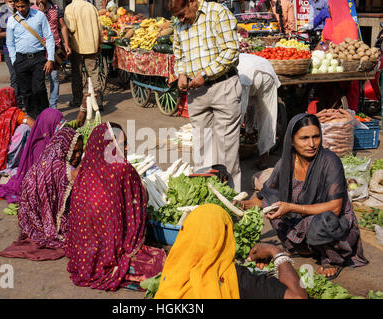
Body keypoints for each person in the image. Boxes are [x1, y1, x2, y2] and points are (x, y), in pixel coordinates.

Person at [237, 113, 368, 279]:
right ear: (292, 140)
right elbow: (263, 197)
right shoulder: (285, 163)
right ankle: (303, 248)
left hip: (332, 226)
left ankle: (331, 258)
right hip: (303, 222)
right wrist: (241, 205)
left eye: (316, 137)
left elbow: (335, 208)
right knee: (271, 202)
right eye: (304, 138)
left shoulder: (330, 161)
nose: (311, 144)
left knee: (322, 221)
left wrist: (292, 207)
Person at [65, 122, 166, 291]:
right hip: (109, 252)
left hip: (82, 253)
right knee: (159, 261)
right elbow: (136, 211)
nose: (126, 149)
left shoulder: (84, 170)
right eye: (122, 144)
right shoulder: (123, 170)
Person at [154, 204, 307, 299]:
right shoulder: (234, 277)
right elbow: (297, 297)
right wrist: (277, 253)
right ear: (226, 236)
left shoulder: (171, 274)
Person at [167, 0, 242, 191]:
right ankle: (206, 196)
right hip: (196, 92)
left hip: (222, 86)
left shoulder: (217, 13)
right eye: (177, 17)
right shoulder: (179, 23)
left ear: (192, 1)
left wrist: (205, 74)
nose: (181, 19)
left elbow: (231, 50)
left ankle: (230, 199)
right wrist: (182, 74)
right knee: (202, 147)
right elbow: (179, 54)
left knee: (226, 150)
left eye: (182, 13)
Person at [0, 127, 83, 260]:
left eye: (80, 151)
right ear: (64, 148)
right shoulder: (57, 167)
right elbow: (78, 178)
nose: (77, 155)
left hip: (30, 219)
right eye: (75, 151)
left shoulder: (48, 158)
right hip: (39, 217)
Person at [0, 100, 88, 203]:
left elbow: (77, 123)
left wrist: (83, 107)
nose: (60, 131)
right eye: (58, 127)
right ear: (50, 126)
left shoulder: (54, 136)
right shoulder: (40, 148)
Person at [6, 0, 55, 119]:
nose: (20, 9)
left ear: (28, 4)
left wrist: (50, 59)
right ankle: (33, 119)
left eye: (23, 6)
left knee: (39, 89)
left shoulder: (39, 16)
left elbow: (49, 37)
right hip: (20, 60)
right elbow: (10, 43)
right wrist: (14, 61)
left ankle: (46, 117)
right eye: (17, 7)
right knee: (26, 92)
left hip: (38, 58)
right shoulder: (12, 20)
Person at [238, 53, 281, 170]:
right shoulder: (244, 56)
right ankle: (264, 159)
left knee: (237, 117)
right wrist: (249, 129)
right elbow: (250, 107)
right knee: (268, 116)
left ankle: (231, 159)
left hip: (246, 74)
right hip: (267, 72)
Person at [32, 0, 72, 109]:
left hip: (54, 49)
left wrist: (66, 44)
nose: (40, 0)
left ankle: (53, 106)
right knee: (39, 78)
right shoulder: (32, 10)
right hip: (38, 49)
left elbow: (63, 26)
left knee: (54, 77)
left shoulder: (55, 9)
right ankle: (41, 104)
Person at [64, 0, 103, 109]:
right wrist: (99, 42)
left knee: (77, 75)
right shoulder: (91, 7)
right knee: (94, 73)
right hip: (92, 45)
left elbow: (71, 28)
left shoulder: (70, 8)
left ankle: (77, 100)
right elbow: (99, 28)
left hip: (78, 46)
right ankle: (98, 101)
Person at [0, 0, 22, 106]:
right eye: (10, 1)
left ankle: (25, 101)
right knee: (15, 76)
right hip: (9, 51)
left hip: (24, 49)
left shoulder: (23, 12)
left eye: (14, 1)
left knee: (25, 76)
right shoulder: (2, 14)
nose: (12, 3)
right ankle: (17, 104)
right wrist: (11, 31)